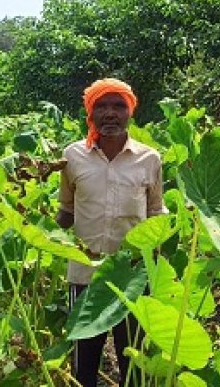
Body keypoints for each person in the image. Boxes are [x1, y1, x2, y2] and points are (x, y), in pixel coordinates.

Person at [56, 78, 168, 387]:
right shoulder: (72, 157)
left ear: (130, 112)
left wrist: (157, 272)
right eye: (101, 106)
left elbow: (155, 215)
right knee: (84, 365)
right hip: (85, 273)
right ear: (90, 113)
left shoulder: (149, 159)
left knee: (132, 365)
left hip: (130, 277)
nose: (110, 113)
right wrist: (33, 230)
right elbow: (66, 210)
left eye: (118, 106)